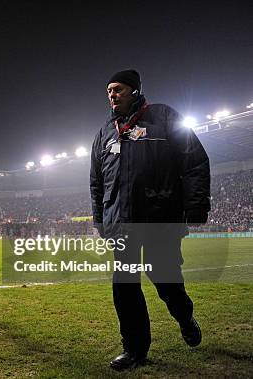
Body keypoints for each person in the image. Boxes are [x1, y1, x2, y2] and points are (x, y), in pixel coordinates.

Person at [90, 69, 211, 370]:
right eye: (108, 91)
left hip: (160, 220)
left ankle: (184, 316)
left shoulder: (163, 117)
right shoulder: (105, 131)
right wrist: (101, 219)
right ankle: (135, 349)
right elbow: (96, 181)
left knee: (166, 281)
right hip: (123, 223)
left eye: (117, 89)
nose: (111, 95)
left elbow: (194, 160)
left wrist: (195, 206)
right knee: (125, 285)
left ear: (134, 89)